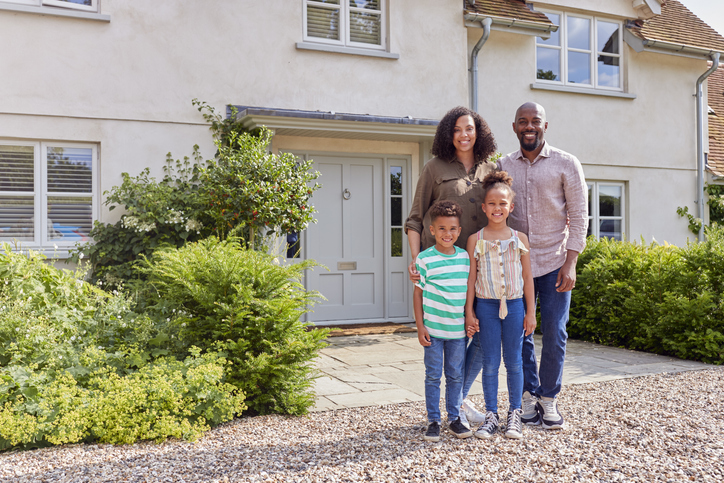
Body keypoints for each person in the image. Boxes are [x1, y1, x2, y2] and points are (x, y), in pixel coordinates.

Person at [405, 106, 497, 428]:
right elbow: (415, 219)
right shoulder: (434, 168)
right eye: (457, 129)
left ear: (478, 132)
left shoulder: (491, 169)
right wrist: (416, 260)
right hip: (443, 270)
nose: (464, 135)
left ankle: (456, 399)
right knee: (447, 333)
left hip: (482, 268)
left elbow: (501, 211)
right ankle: (451, 407)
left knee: (484, 333)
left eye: (469, 128)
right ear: (449, 133)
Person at [497, 102, 588, 430]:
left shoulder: (567, 164)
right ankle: (527, 395)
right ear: (514, 127)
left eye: (535, 121)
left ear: (545, 126)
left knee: (556, 331)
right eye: (523, 121)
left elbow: (578, 215)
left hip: (554, 263)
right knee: (518, 332)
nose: (529, 126)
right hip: (517, 265)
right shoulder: (503, 165)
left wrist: (571, 262)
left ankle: (548, 399)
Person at [464, 171, 536, 440]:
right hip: (486, 306)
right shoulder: (476, 239)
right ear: (484, 207)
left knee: (514, 362)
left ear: (511, 207)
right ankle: (491, 415)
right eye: (492, 203)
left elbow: (527, 277)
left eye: (502, 203)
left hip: (515, 306)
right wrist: (470, 311)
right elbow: (472, 279)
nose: (497, 208)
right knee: (491, 362)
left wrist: (531, 312)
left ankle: (514, 414)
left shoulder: (520, 239)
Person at [413, 200, 473, 442]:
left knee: (456, 375)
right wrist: (420, 326)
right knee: (433, 376)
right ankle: (434, 420)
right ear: (431, 230)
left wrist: (470, 315)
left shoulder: (465, 258)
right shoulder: (424, 259)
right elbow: (417, 295)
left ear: (459, 231)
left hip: (457, 332)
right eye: (441, 229)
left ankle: (455, 418)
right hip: (433, 331)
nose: (447, 234)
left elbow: (469, 290)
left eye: (452, 229)